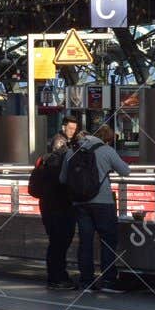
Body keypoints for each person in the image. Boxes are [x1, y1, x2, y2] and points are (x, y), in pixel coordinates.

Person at [59, 120, 132, 290]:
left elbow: (63, 179)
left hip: (79, 203)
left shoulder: (72, 151)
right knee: (108, 241)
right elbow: (125, 171)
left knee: (85, 242)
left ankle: (86, 281)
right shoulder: (106, 150)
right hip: (103, 202)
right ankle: (108, 281)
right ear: (107, 139)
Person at [30, 133, 76, 289]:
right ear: (63, 146)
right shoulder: (63, 161)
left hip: (46, 205)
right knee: (61, 242)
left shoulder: (42, 160)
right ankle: (58, 277)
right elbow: (65, 182)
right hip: (62, 206)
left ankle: (55, 276)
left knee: (55, 242)